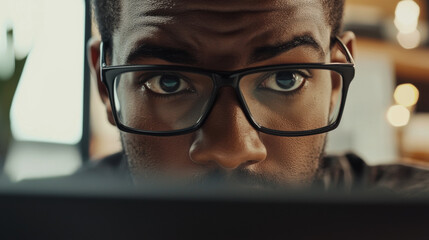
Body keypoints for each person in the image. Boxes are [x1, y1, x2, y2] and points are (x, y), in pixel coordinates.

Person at [86, 0, 429, 194]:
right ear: (104, 84)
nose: (231, 150)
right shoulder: (39, 225)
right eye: (168, 82)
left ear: (335, 83)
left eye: (285, 79)